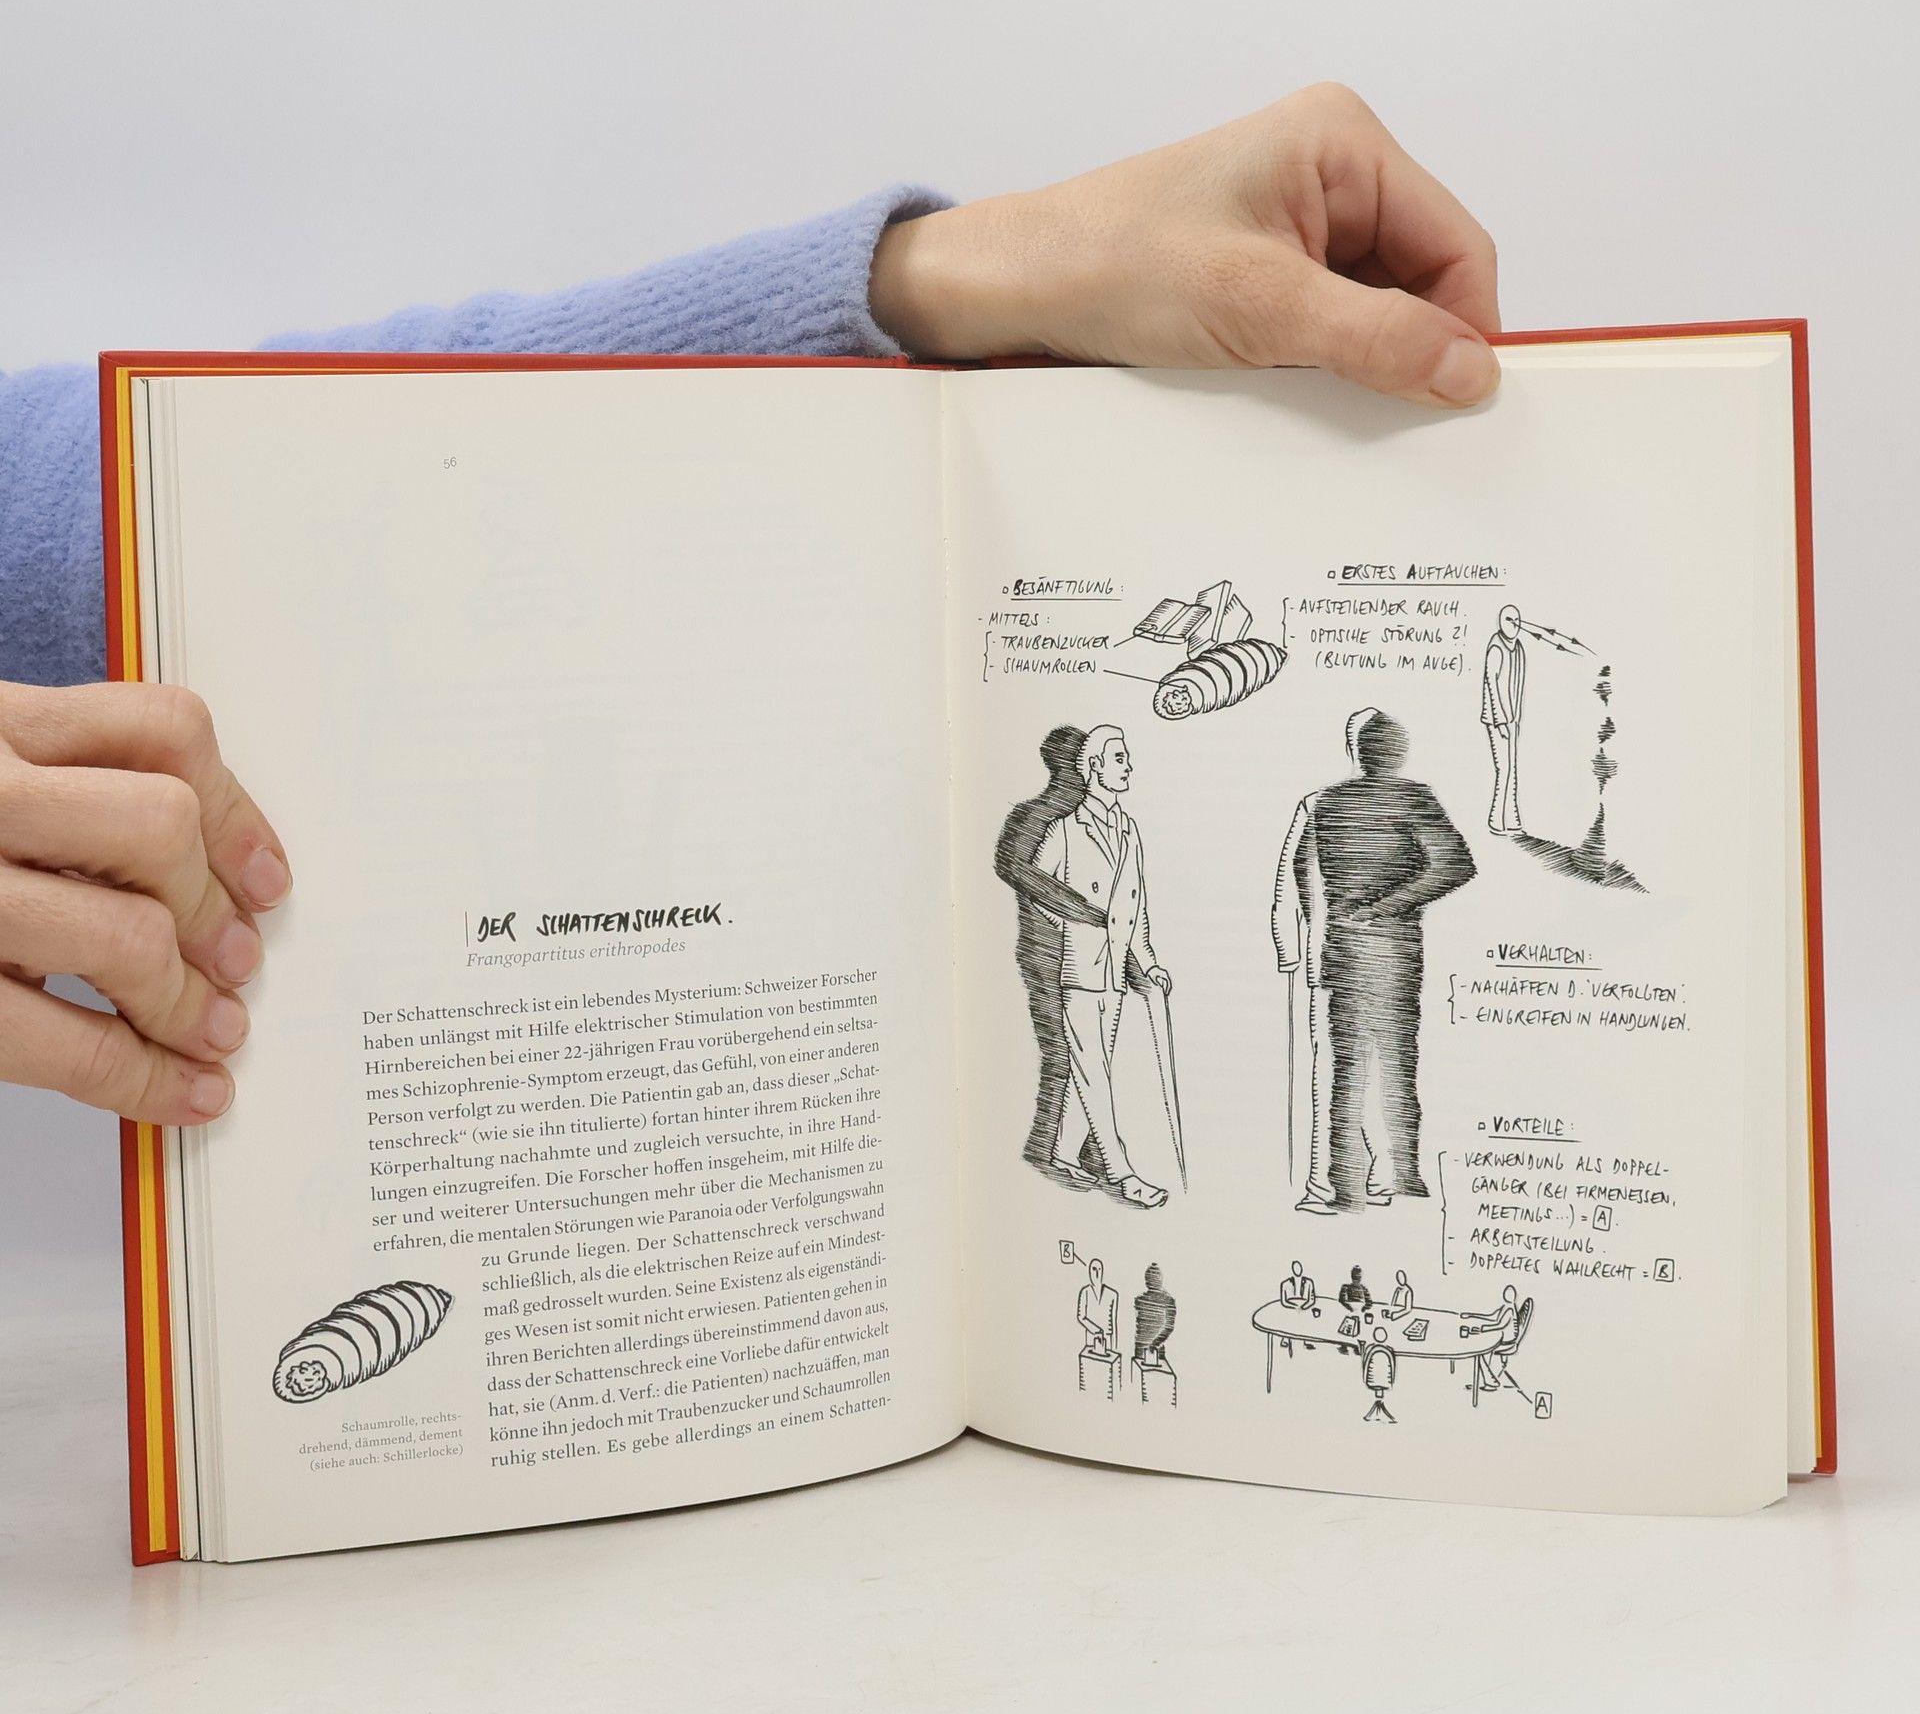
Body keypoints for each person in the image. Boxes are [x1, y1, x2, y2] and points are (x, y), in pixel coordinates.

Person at [1, 86, 1500, 1126]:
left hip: (1263, 959)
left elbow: (117, 487)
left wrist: (930, 280)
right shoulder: (1165, 815)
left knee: (1360, 1078)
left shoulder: (1294, 809)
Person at [1273, 709, 1477, 1214]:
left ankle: (1351, 1182)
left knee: (1351, 1065)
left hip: (1343, 949)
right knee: (1392, 1059)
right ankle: (1392, 1175)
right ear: (1399, 753)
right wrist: (1388, 906)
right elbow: (1455, 865)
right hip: (1390, 950)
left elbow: (1296, 876)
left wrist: (1309, 943)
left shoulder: (1327, 800)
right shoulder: (1411, 797)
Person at [1033, 727, 1171, 1207]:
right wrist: (1078, 928)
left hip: (1113, 973)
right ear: (1094, 767)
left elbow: (1138, 905)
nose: (1128, 766)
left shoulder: (1129, 828)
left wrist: (1147, 962)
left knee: (1093, 1066)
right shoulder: (1065, 829)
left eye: (1127, 757)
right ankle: (1122, 1173)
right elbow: (1040, 889)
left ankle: (1063, 1150)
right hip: (1081, 970)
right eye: (1119, 758)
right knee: (1095, 1071)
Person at [995, 728, 1106, 1182]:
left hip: (1095, 955)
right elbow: (1012, 866)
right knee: (1062, 1050)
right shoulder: (1036, 814)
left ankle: (1095, 1151)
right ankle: (1047, 1148)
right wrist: (1084, 911)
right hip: (1048, 951)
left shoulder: (1095, 819)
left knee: (1098, 1054)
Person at [1482, 604, 1527, 836]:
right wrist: (1499, 721)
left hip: (1513, 719)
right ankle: (1496, 820)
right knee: (1504, 769)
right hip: (1497, 719)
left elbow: (1518, 687)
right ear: (1501, 621)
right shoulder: (1496, 648)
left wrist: (1515, 719)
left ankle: (1512, 820)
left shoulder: (1518, 648)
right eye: (1509, 619)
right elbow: (1492, 685)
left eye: (1517, 619)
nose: (1514, 624)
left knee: (1512, 769)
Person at [1132, 1263, 1177, 1369]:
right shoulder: (1139, 1300)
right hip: (1142, 1347)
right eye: (1150, 1276)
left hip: (1156, 1348)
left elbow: (1169, 1327)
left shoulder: (1168, 1301)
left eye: (1155, 1276)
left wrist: (1154, 1344)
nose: (1152, 1279)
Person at [1076, 1259, 1121, 1357]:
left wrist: (1114, 1346)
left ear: (1102, 1272)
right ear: (1089, 1272)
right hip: (1091, 1337)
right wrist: (1096, 1330)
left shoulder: (1112, 1294)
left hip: (1107, 1338)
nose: (1096, 1273)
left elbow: (1113, 1321)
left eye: (1099, 1269)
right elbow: (1081, 1316)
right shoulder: (1085, 1292)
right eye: (1094, 1269)